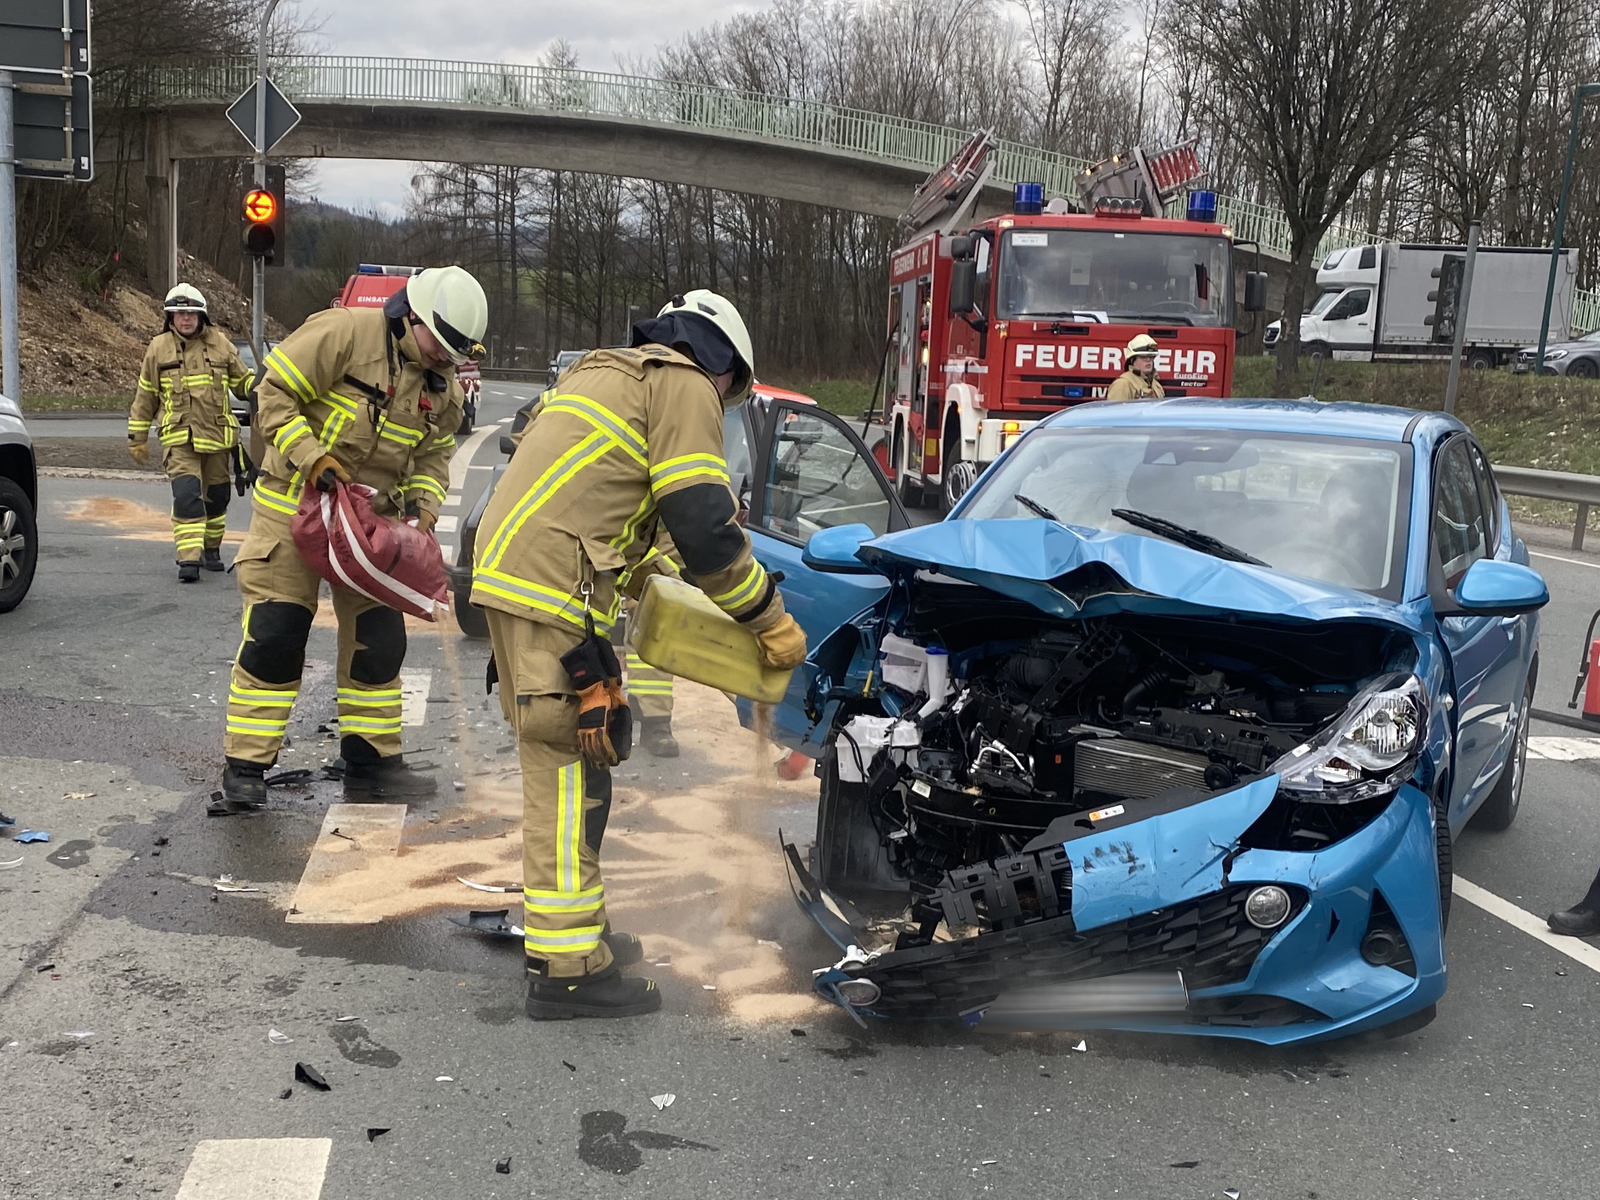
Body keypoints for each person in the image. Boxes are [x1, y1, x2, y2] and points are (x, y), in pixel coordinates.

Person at [472, 289, 807, 1020]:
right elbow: (706, 527)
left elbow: (606, 508)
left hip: (523, 578)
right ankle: (567, 973)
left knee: (583, 768)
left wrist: (653, 573)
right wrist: (768, 619)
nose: (720, 406)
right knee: (566, 775)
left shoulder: (610, 373)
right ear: (724, 366)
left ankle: (575, 937)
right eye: (732, 393)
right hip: (549, 589)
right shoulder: (685, 382)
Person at [218, 265, 487, 809]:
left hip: (368, 527)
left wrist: (423, 514)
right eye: (442, 345)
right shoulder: (344, 334)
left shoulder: (444, 386)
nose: (446, 360)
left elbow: (434, 459)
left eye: (458, 353)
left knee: (379, 643)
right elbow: (272, 396)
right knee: (276, 633)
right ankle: (245, 765)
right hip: (291, 504)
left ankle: (371, 758)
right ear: (413, 315)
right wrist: (312, 458)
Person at [128, 285, 253, 582]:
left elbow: (242, 383)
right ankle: (189, 558)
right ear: (171, 317)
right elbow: (146, 395)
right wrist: (138, 437)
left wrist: (263, 385)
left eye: (191, 313)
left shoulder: (221, 344)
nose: (185, 318)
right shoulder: (158, 348)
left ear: (201, 315)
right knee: (186, 496)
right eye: (179, 313)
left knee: (217, 499)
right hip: (179, 438)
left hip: (218, 439)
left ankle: (211, 549)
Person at [1106, 333, 1165, 401]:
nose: (1149, 360)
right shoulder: (1122, 384)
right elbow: (1115, 410)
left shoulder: (1156, 385)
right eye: (1143, 357)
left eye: (1151, 357)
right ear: (1132, 360)